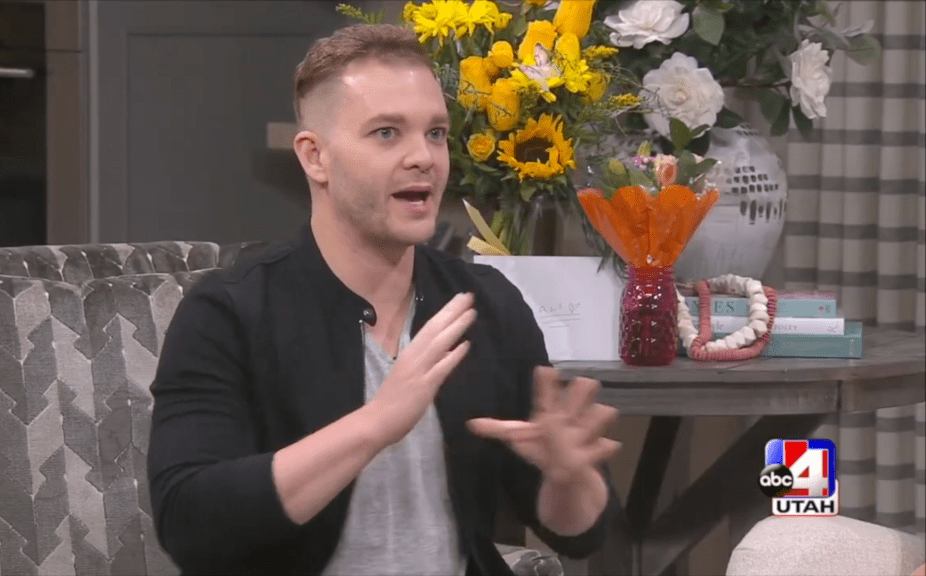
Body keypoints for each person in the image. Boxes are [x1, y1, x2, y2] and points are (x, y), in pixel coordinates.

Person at [146, 23, 621, 576]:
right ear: (315, 157)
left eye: (436, 133)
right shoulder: (229, 313)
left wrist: (569, 477)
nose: (424, 157)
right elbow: (190, 524)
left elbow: (579, 532)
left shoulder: (484, 304)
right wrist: (376, 424)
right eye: (387, 133)